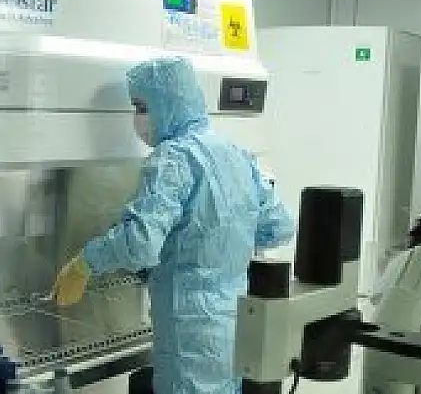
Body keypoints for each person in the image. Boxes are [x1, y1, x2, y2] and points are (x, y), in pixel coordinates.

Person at [53, 57, 295, 394]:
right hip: (234, 324)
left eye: (141, 107)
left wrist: (85, 263)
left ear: (165, 103)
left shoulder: (172, 159)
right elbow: (279, 226)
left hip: (189, 332)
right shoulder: (236, 153)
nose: (138, 119)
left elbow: (140, 244)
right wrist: (221, 242)